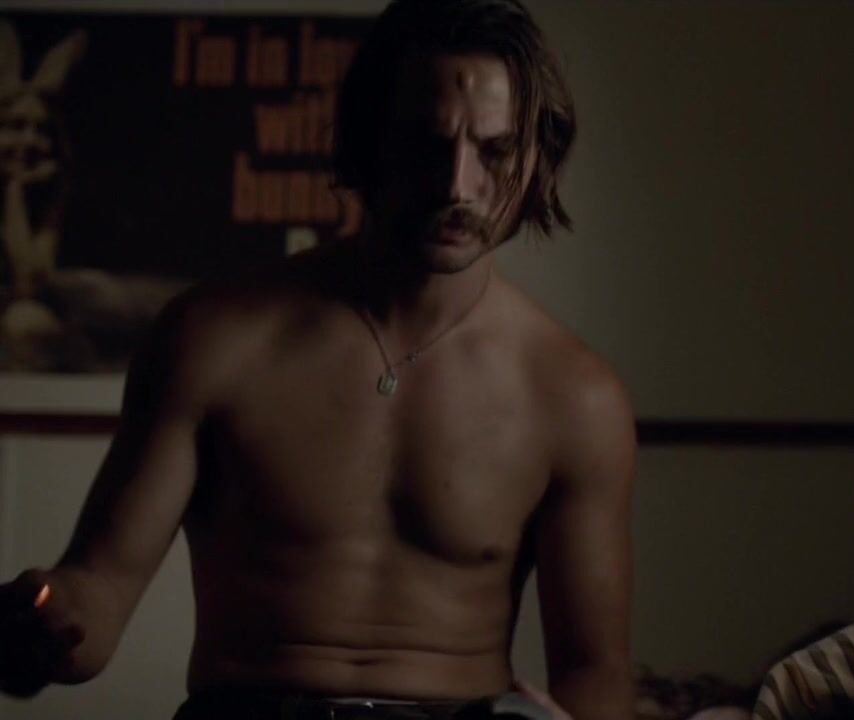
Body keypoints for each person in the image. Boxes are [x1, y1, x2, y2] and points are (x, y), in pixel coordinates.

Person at [0, 1, 636, 718]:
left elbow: (595, 671)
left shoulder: (574, 395)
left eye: (494, 151)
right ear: (367, 144)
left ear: (538, 157)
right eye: (426, 145)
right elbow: (99, 591)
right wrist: (39, 628)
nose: (457, 185)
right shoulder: (213, 339)